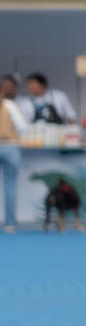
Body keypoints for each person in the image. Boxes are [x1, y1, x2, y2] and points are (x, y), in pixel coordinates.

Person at [0, 76, 24, 233]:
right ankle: (10, 223)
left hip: (9, 146)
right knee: (10, 185)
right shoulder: (9, 105)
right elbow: (23, 126)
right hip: (10, 146)